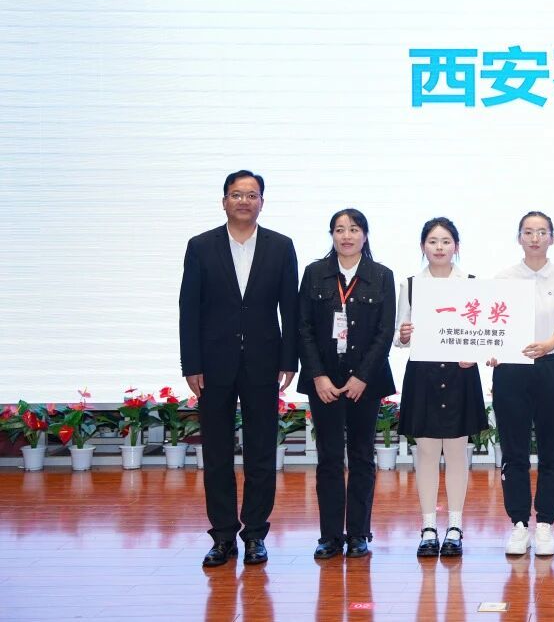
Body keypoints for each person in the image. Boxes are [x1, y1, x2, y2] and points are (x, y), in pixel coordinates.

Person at [179, 170, 299, 568]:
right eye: (236, 194)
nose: (244, 201)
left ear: (262, 202)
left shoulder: (281, 246)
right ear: (224, 201)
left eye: (251, 195)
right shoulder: (201, 246)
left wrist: (289, 359)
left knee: (261, 452)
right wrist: (191, 364)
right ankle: (222, 535)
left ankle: (255, 535)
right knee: (216, 454)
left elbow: (290, 309)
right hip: (213, 365)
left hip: (264, 363)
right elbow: (188, 309)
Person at [296, 209, 397, 559]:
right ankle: (329, 536)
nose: (346, 236)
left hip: (364, 382)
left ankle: (358, 533)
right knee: (328, 458)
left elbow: (385, 331)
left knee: (361, 456)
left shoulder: (381, 275)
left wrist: (362, 377)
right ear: (332, 236)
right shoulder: (315, 274)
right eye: (339, 230)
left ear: (365, 235)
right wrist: (318, 375)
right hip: (324, 379)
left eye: (354, 229)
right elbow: (303, 327)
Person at [490, 211, 554, 557]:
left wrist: (548, 345)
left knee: (551, 448)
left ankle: (545, 523)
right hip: (511, 368)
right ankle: (518, 523)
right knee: (513, 450)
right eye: (528, 232)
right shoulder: (503, 278)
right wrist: (492, 350)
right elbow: (490, 324)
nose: (535, 238)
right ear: (519, 238)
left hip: (551, 366)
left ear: (552, 238)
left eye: (542, 232)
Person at [394, 217, 489, 558]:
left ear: (456, 247)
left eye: (446, 241)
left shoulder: (472, 283)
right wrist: (404, 335)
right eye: (432, 241)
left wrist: (473, 353)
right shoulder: (410, 284)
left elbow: (481, 332)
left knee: (458, 452)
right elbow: (399, 338)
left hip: (461, 374)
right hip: (424, 375)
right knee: (426, 453)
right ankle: (428, 527)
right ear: (423, 246)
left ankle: (455, 526)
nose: (439, 247)